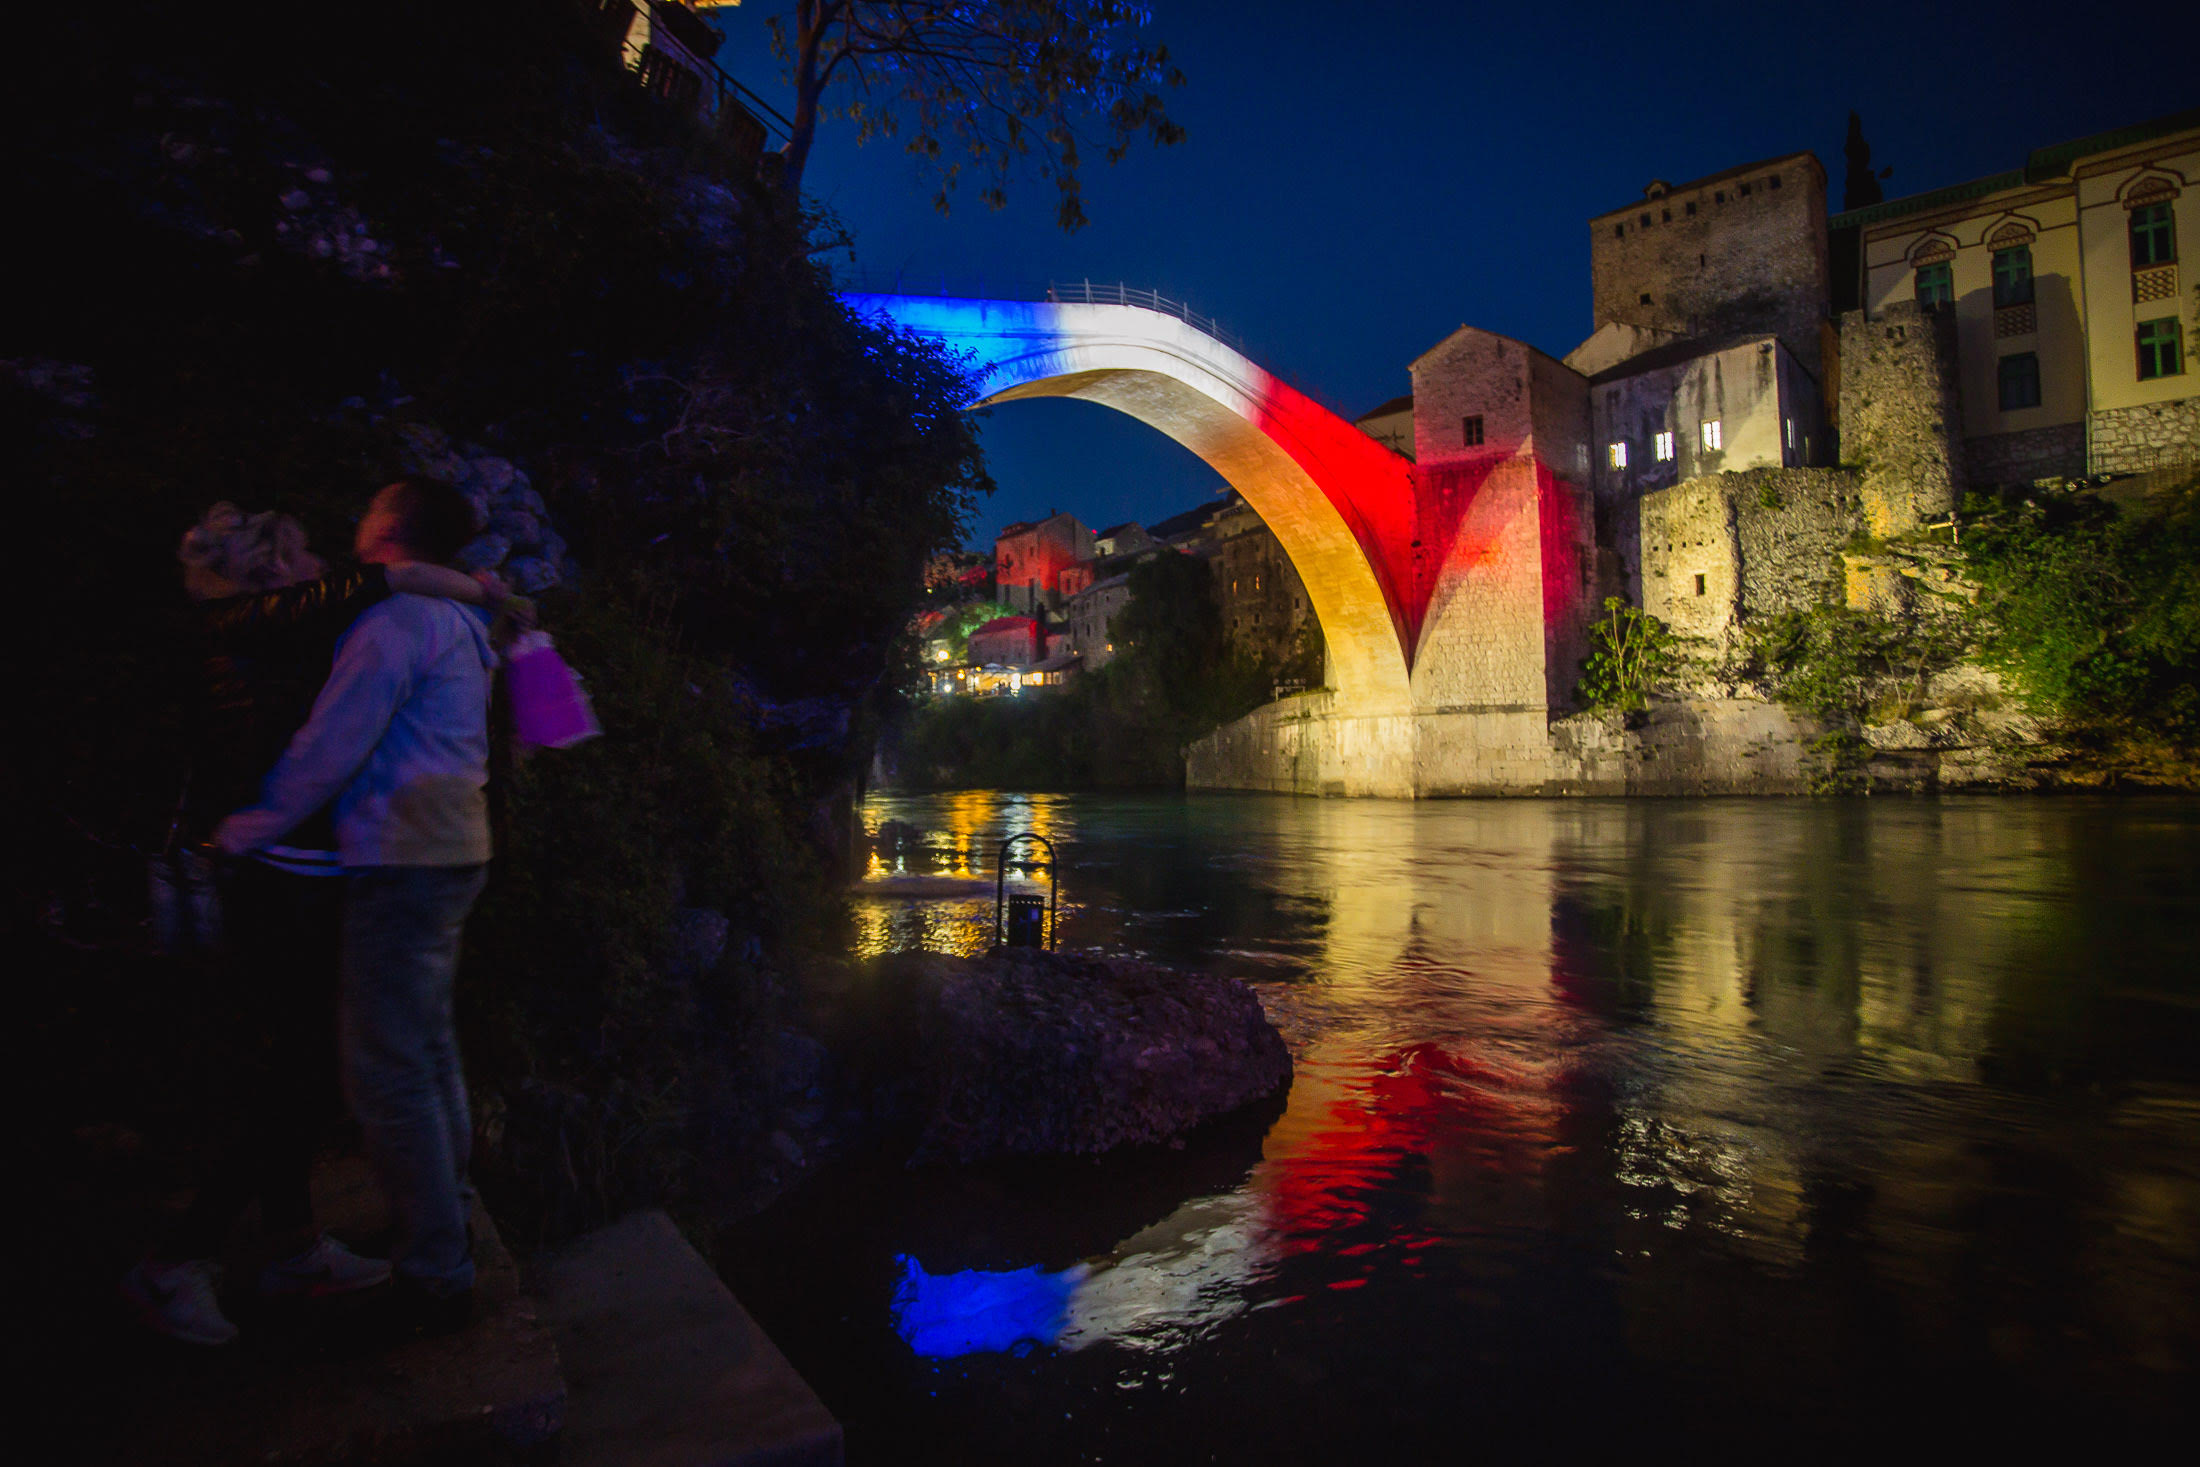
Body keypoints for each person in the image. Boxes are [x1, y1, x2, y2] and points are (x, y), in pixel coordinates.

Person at [123, 502, 507, 1347]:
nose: (320, 565)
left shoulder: (291, 628)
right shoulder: (251, 626)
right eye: (300, 555)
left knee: (311, 1065)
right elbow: (313, 750)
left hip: (306, 871)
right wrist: (248, 831)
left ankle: (295, 1246)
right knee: (298, 1073)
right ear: (267, 573)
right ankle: (176, 1259)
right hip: (279, 877)